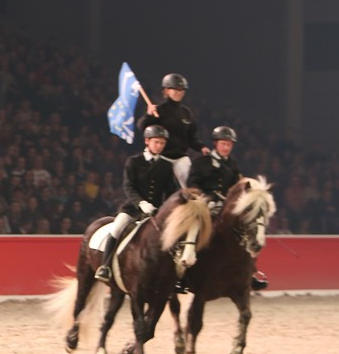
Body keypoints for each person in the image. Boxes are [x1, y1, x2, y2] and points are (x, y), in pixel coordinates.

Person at [186, 125, 269, 291]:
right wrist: (205, 198)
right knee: (193, 229)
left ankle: (250, 271)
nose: (226, 147)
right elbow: (192, 183)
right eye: (223, 144)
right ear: (215, 144)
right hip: (204, 205)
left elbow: (238, 187)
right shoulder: (201, 162)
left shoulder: (233, 164)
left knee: (246, 230)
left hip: (225, 207)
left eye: (229, 145)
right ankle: (186, 270)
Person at [94, 125, 180, 283]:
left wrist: (169, 208)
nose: (160, 146)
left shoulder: (166, 166)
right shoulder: (133, 162)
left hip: (156, 212)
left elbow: (171, 191)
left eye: (162, 143)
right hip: (133, 209)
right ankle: (105, 266)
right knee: (117, 228)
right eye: (156, 142)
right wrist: (141, 203)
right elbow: (128, 187)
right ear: (147, 141)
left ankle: (176, 276)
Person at [137, 73, 208, 188]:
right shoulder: (158, 110)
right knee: (156, 188)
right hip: (161, 156)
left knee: (192, 187)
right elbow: (142, 127)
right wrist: (148, 115)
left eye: (181, 90)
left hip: (181, 157)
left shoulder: (186, 112)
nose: (179, 92)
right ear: (166, 91)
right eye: (175, 89)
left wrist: (201, 147)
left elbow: (192, 137)